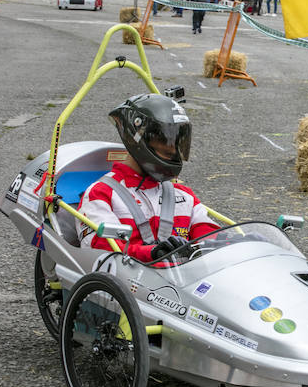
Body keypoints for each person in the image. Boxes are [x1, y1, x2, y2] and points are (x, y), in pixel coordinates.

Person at [77, 94, 219, 263]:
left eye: (177, 138)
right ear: (136, 138)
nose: (172, 148)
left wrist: (233, 242)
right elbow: (101, 251)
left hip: (185, 282)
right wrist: (152, 253)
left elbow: (208, 234)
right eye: (163, 137)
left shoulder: (184, 196)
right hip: (130, 283)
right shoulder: (101, 194)